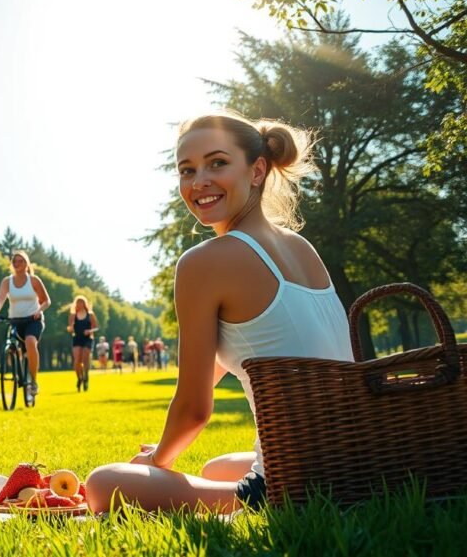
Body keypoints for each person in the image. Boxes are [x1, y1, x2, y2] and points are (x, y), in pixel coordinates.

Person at [85, 112, 354, 514]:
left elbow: (194, 410)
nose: (198, 182)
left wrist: (157, 460)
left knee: (103, 484)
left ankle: (250, 503)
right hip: (360, 455)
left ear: (258, 169)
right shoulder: (301, 248)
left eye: (217, 163)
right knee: (215, 467)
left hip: (296, 482)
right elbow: (258, 345)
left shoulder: (203, 262)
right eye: (187, 170)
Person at [0, 251, 51, 399]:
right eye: (14, 261)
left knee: (30, 342)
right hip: (15, 320)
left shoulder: (33, 280)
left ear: (26, 264)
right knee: (12, 348)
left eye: (20, 261)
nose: (17, 264)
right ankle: (17, 371)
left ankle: (33, 381)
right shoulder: (7, 281)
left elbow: (46, 300)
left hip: (33, 320)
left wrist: (39, 310)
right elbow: (0, 298)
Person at [66, 296, 98, 392]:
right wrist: (70, 328)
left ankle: (86, 376)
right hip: (77, 338)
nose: (80, 304)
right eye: (78, 302)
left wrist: (90, 330)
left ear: (85, 304)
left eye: (82, 302)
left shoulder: (90, 314)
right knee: (77, 360)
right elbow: (70, 327)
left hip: (87, 338)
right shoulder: (73, 315)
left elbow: (96, 327)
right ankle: (79, 378)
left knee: (85, 358)